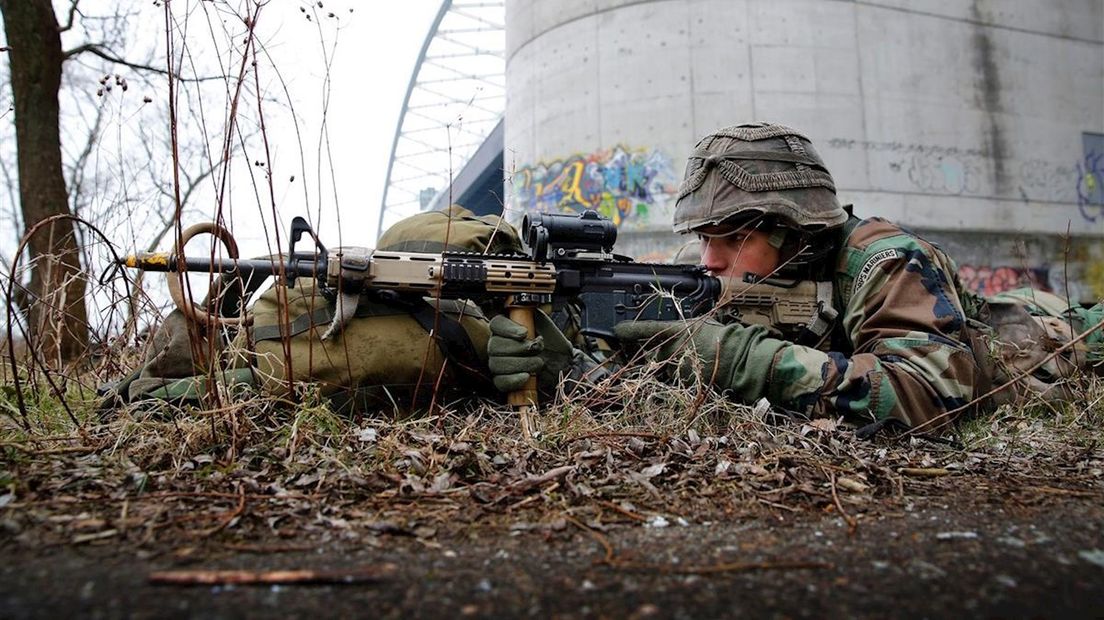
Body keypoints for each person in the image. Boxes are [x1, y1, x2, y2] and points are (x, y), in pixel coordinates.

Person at [489, 122, 1103, 433]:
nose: (709, 259)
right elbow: (637, 349)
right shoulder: (729, 277)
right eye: (706, 237)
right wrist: (562, 353)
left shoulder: (887, 259)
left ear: (796, 230)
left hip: (1048, 345)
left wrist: (734, 356)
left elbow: (928, 398)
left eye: (734, 237)